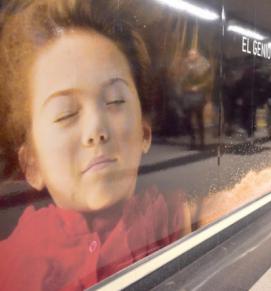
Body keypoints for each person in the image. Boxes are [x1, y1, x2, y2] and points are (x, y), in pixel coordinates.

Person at [0, 1, 191, 290]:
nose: (96, 130)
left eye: (115, 101)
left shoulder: (175, 222)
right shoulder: (12, 267)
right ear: (32, 164)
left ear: (144, 133)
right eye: (65, 113)